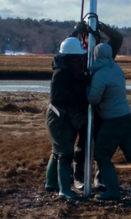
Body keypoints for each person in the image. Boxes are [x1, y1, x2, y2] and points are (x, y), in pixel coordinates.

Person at [87, 42, 131, 200]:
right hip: (126, 116)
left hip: (112, 119)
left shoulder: (100, 75)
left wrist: (87, 87)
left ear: (96, 55)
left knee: (101, 154)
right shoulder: (117, 69)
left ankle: (112, 191)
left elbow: (93, 99)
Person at [70, 21, 124, 191]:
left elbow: (117, 37)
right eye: (87, 37)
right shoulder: (76, 53)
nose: (90, 41)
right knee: (82, 144)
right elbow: (64, 50)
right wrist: (75, 32)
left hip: (102, 106)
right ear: (82, 39)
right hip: (81, 104)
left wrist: (100, 26)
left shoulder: (103, 54)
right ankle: (79, 177)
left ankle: (100, 179)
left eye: (94, 38)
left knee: (101, 144)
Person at [45, 37, 88, 200]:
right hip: (58, 117)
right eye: (78, 59)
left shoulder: (66, 69)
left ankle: (51, 183)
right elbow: (74, 97)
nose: (81, 61)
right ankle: (65, 190)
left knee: (58, 150)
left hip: (62, 116)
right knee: (64, 152)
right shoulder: (62, 75)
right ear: (70, 59)